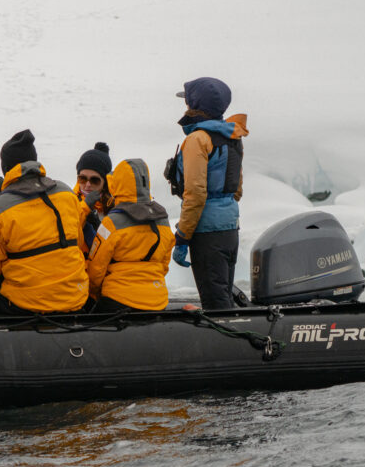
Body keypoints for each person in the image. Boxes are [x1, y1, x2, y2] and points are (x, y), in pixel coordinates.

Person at [0, 129, 89, 315]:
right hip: (75, 296)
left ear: (6, 169)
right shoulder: (67, 193)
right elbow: (77, 242)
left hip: (24, 304)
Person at [164, 77, 249, 310]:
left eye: (188, 102)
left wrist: (182, 236)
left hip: (206, 233)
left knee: (215, 305)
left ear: (195, 105)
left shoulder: (197, 140)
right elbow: (237, 188)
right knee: (223, 299)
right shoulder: (234, 136)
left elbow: (196, 193)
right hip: (230, 228)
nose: (186, 107)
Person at [86, 158, 174, 311]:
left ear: (117, 183)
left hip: (118, 299)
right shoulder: (162, 218)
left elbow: (96, 267)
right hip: (157, 299)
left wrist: (94, 295)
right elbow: (164, 263)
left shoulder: (111, 222)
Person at [74, 142, 113, 251]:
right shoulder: (69, 200)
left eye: (94, 180)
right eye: (82, 179)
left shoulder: (115, 205)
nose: (87, 185)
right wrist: (85, 208)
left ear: (105, 182)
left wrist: (98, 226)